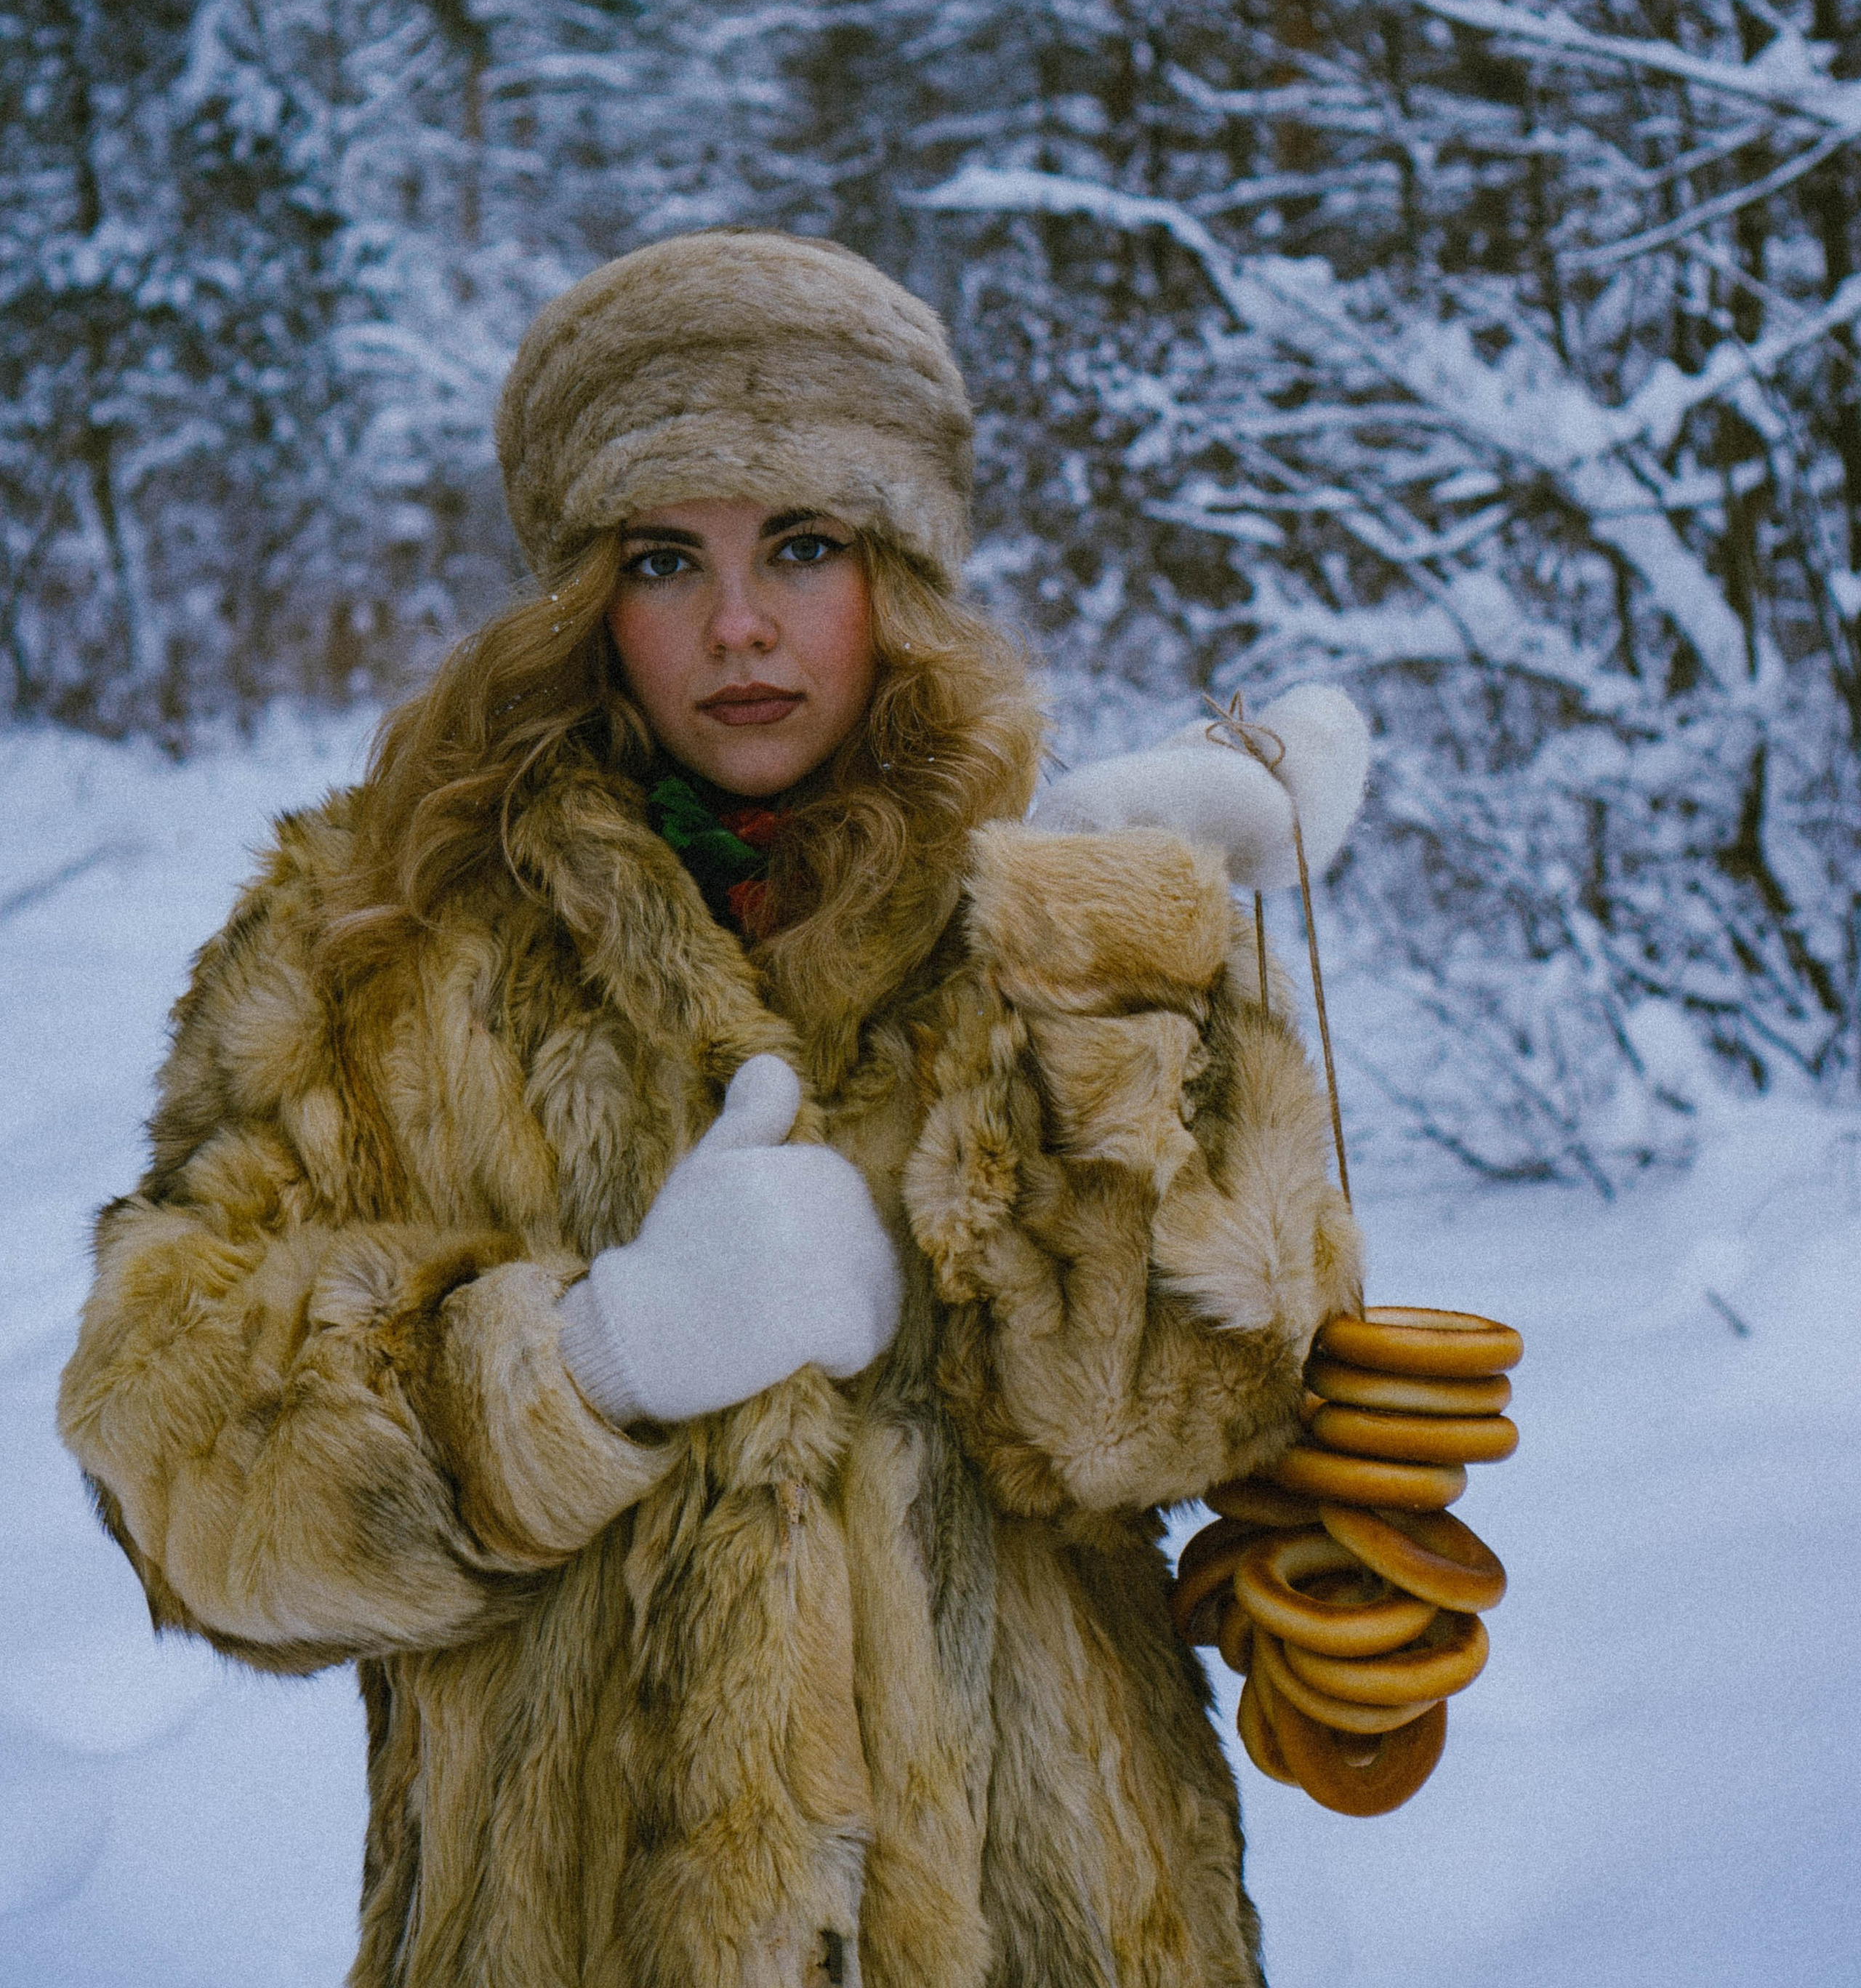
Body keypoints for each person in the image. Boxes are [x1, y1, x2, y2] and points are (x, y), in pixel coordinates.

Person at [59, 231, 1367, 1988]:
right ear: (583, 594)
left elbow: (1172, 1416)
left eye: (803, 548)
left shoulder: (1033, 928)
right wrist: (587, 1360)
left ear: (893, 575)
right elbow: (175, 1456)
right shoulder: (375, 940)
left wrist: (1117, 961)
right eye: (666, 558)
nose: (738, 627)